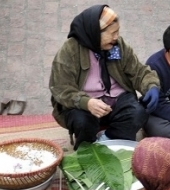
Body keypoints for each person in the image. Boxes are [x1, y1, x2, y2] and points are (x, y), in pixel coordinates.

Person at [49, 5, 161, 150]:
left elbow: (139, 71)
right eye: (112, 33)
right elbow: (60, 88)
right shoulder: (69, 51)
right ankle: (88, 148)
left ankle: (109, 139)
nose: (116, 37)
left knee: (138, 112)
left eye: (118, 32)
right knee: (83, 122)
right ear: (96, 33)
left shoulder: (118, 46)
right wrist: (86, 102)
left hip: (116, 99)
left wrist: (151, 85)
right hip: (84, 104)